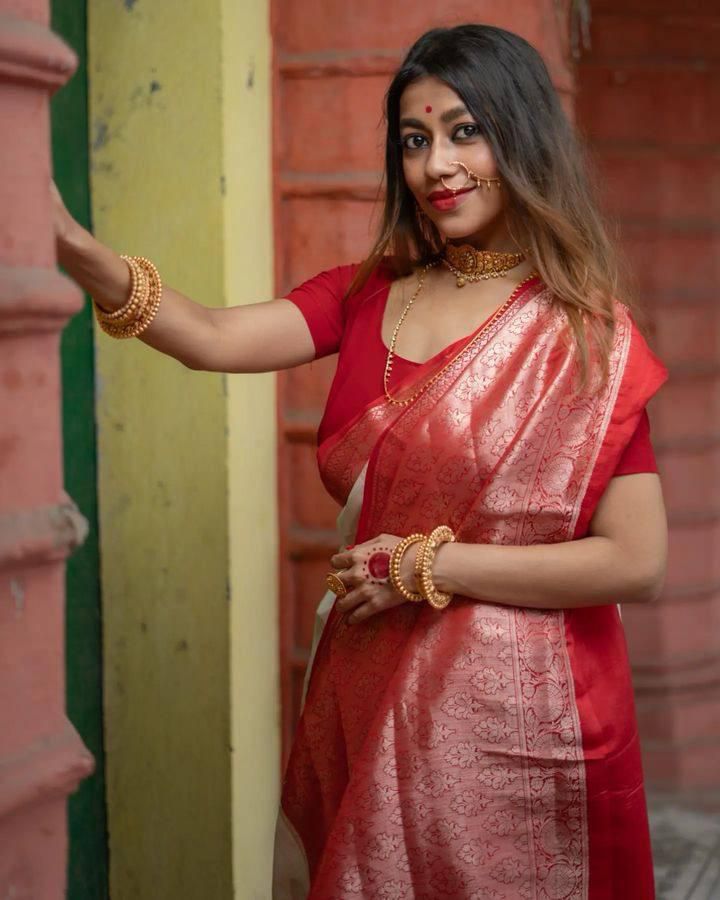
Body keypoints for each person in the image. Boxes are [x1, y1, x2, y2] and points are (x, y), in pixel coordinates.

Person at [54, 23, 668, 900]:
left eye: (465, 132)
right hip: (368, 687)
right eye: (415, 141)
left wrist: (427, 567)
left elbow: (636, 561)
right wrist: (76, 251)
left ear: (522, 136)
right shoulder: (372, 292)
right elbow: (212, 336)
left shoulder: (582, 333)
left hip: (526, 725)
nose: (437, 165)